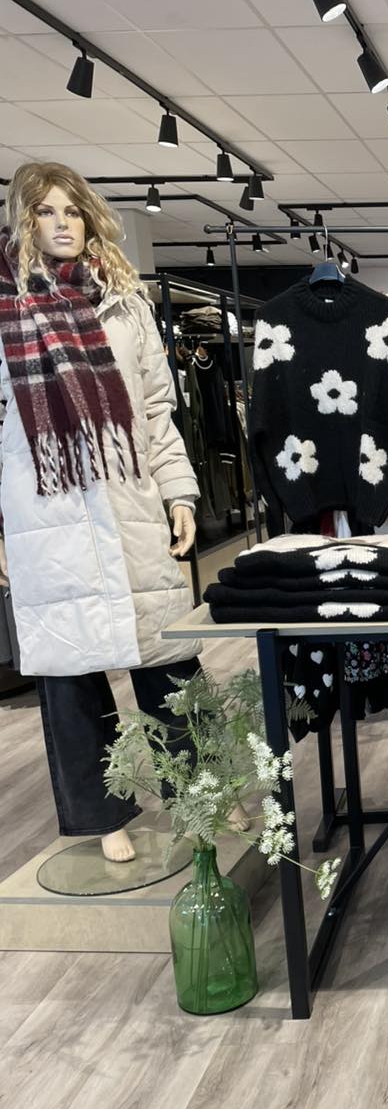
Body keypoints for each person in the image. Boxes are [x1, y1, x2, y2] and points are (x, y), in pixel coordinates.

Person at [0, 161, 204, 863]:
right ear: (24, 220)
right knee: (70, 673)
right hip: (45, 509)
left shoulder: (124, 302)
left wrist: (180, 493)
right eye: (45, 211)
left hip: (129, 500)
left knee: (168, 656)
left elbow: (156, 410)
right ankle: (101, 813)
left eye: (72, 210)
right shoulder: (4, 307)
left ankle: (199, 787)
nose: (62, 223)